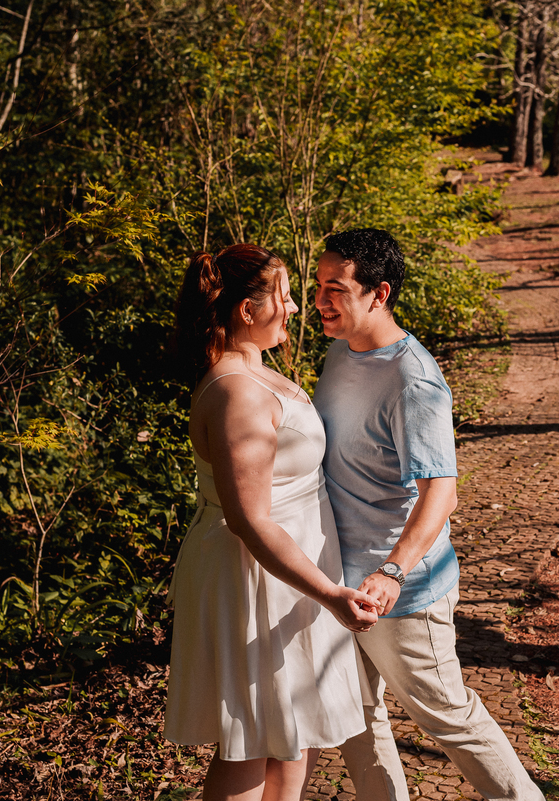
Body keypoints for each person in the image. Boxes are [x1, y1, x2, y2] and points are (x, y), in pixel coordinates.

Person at [313, 229, 546, 801]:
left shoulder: (412, 381)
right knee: (357, 719)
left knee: (449, 717)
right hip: (339, 582)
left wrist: (392, 571)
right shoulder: (340, 351)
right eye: (318, 286)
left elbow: (441, 493)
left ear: (379, 294)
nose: (320, 300)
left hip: (400, 591)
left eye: (335, 289)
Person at [164, 243, 381, 801]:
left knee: (291, 739)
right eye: (284, 296)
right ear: (247, 310)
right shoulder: (237, 393)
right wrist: (330, 594)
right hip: (256, 575)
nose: (295, 307)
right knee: (252, 745)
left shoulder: (257, 371)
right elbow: (248, 519)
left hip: (294, 569)